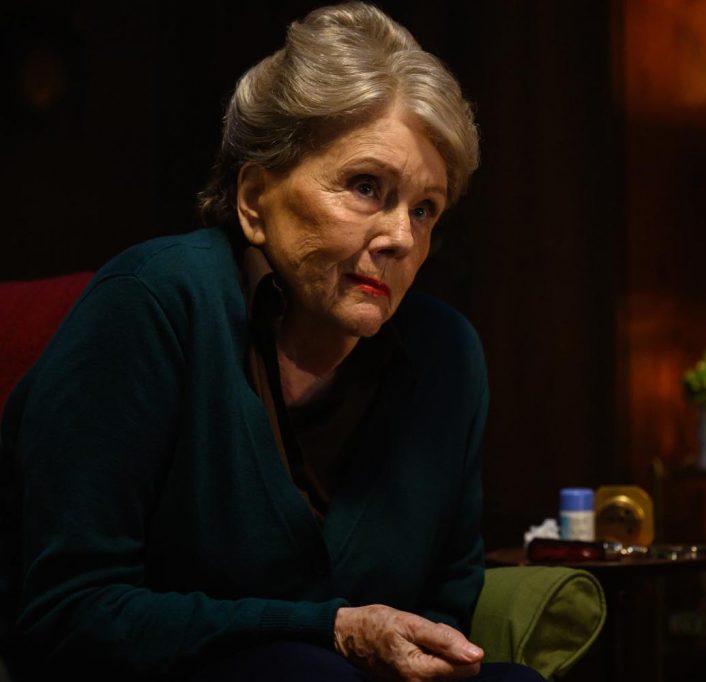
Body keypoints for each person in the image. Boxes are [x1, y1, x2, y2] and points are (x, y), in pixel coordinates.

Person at [0, 4, 542, 680]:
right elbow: (68, 613)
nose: (402, 237)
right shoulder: (151, 305)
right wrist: (329, 631)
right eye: (366, 187)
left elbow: (444, 609)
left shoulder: (447, 356)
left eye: (424, 208)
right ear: (255, 199)